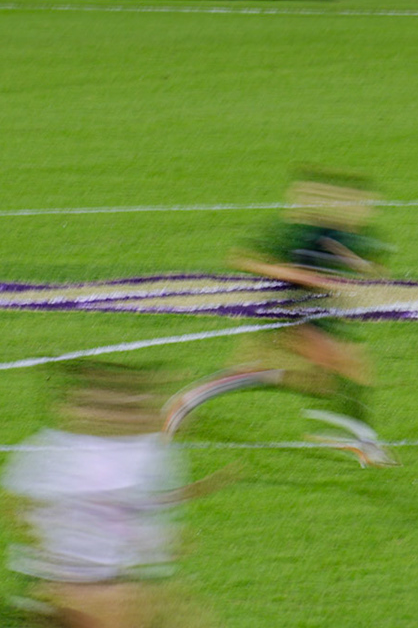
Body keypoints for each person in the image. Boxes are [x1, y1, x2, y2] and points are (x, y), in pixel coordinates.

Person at [0, 362, 218, 628]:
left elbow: (15, 505)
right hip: (89, 577)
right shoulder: (117, 454)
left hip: (66, 574)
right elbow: (124, 504)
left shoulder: (52, 447)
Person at [164, 171, 396, 469]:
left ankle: (188, 400)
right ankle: (363, 443)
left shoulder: (353, 236)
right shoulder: (296, 232)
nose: (360, 212)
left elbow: (375, 269)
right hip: (290, 310)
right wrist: (296, 274)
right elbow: (241, 258)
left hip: (323, 314)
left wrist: (365, 268)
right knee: (343, 367)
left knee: (311, 378)